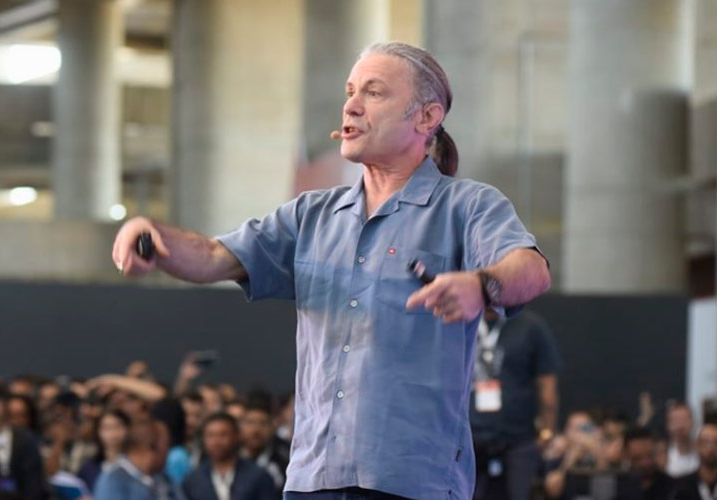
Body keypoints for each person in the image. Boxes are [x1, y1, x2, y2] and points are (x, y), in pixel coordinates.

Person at [112, 41, 551, 500]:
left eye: (374, 93)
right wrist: (154, 237)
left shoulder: (467, 205)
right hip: (313, 478)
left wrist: (483, 285)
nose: (352, 106)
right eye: (349, 91)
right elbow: (212, 256)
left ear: (427, 118)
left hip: (411, 482)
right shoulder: (310, 215)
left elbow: (532, 269)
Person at [470, 308, 561, 500]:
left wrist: (547, 433)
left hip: (519, 438)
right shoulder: (464, 321)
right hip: (469, 437)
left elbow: (547, 387)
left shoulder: (531, 327)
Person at [183, 413, 277, 500]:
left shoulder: (259, 476)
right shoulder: (193, 480)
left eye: (223, 435)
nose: (216, 441)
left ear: (236, 436)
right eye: (210, 435)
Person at [94, 419, 181, 500]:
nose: (168, 454)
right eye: (165, 447)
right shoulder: (113, 482)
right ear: (151, 448)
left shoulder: (164, 479)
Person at [613, 427, 674, 500]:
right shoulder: (616, 487)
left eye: (650, 455)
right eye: (637, 458)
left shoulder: (672, 488)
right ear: (626, 455)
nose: (645, 463)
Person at [79, 410, 131, 492]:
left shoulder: (137, 463)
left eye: (118, 426)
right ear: (98, 432)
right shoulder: (90, 467)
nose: (113, 433)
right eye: (107, 428)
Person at [239, 404, 287, 490]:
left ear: (272, 428)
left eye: (263, 423)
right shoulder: (229, 462)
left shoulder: (284, 465)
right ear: (240, 427)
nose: (256, 430)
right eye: (250, 422)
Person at [672, 416, 717, 500]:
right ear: (697, 446)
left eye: (715, 443)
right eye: (706, 442)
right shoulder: (683, 487)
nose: (710, 448)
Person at [666, 403, 700, 477]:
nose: (680, 425)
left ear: (693, 422)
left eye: (684, 420)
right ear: (668, 425)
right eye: (675, 420)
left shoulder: (703, 454)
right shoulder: (663, 457)